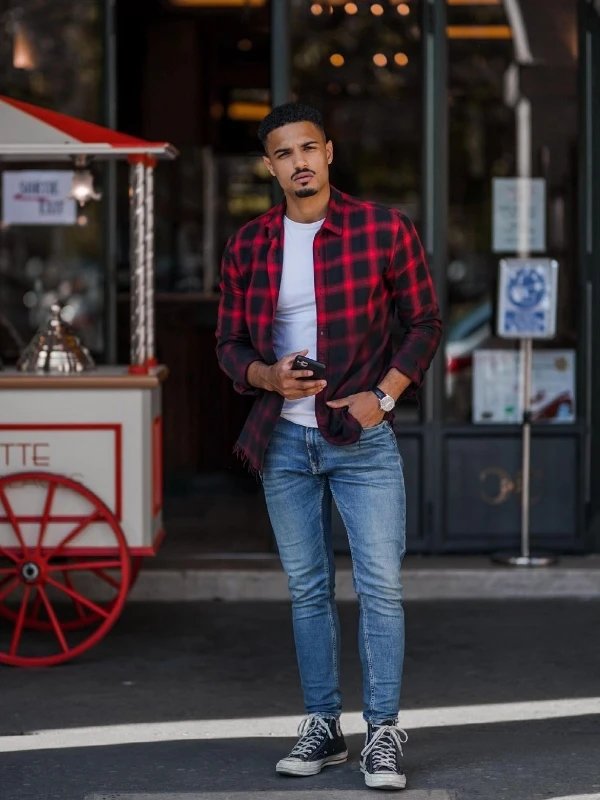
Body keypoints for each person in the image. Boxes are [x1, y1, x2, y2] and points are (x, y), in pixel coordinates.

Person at [216, 102, 441, 791]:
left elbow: (424, 321)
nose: (299, 163)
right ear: (271, 166)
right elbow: (228, 347)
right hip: (282, 439)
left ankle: (382, 733)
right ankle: (323, 725)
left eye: (308, 148)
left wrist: (387, 394)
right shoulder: (250, 244)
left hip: (361, 437)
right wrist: (266, 376)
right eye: (283, 154)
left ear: (330, 152)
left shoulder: (381, 228)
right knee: (308, 591)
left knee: (381, 590)